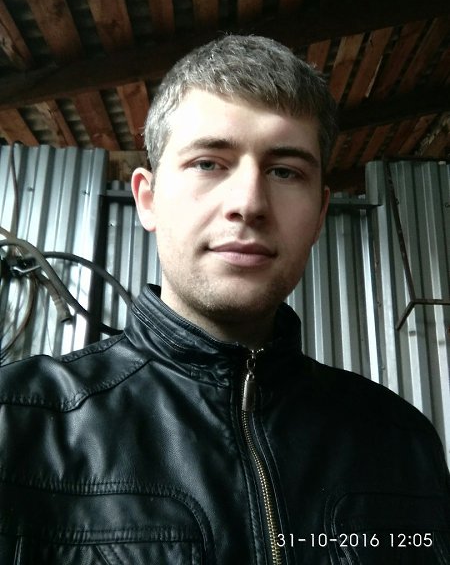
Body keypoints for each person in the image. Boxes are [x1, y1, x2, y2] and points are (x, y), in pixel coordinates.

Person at [0, 35, 448, 565]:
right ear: (148, 198)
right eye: (209, 163)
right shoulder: (18, 421)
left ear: (319, 215)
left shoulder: (401, 441)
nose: (249, 203)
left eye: (285, 171)